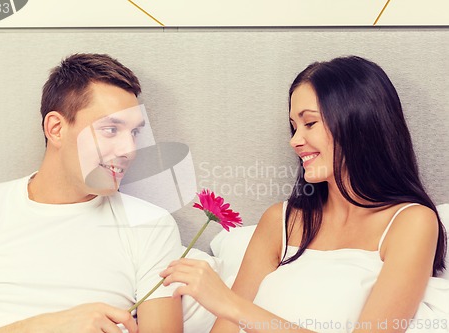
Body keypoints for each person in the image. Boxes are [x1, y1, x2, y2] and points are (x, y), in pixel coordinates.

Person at [161, 56, 449, 332]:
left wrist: (230, 304)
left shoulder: (412, 222)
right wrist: (229, 308)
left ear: (359, 123)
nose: (295, 141)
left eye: (309, 123)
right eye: (294, 126)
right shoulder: (280, 220)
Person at [0, 53, 183, 333]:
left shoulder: (149, 225)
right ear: (56, 129)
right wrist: (54, 325)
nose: (129, 150)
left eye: (133, 133)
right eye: (110, 130)